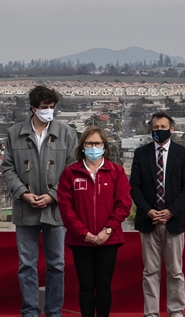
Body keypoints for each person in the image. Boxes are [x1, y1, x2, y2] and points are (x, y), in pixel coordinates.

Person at [0, 85, 79, 317]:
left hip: (56, 210)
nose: (49, 111)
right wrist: (23, 193)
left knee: (57, 265)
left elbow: (72, 169)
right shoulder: (15, 133)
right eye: (44, 108)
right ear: (33, 108)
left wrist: (53, 195)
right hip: (25, 209)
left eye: (52, 107)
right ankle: (30, 311)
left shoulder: (66, 133)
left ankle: (54, 311)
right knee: (27, 265)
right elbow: (8, 168)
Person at [57, 126, 132, 317]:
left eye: (97, 143)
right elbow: (66, 208)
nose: (93, 147)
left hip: (109, 239)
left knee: (104, 285)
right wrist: (85, 233)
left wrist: (107, 230)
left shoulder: (116, 171)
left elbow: (123, 204)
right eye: (89, 143)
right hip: (81, 240)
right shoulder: (70, 173)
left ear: (104, 147)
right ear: (82, 146)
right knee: (86, 285)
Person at [130, 111, 185, 317]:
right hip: (148, 222)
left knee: (175, 271)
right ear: (151, 130)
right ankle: (151, 313)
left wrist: (171, 211)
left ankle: (176, 311)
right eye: (156, 128)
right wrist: (149, 211)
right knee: (150, 272)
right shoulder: (141, 154)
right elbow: (135, 187)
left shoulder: (183, 154)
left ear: (172, 129)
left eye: (163, 127)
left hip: (174, 222)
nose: (159, 131)